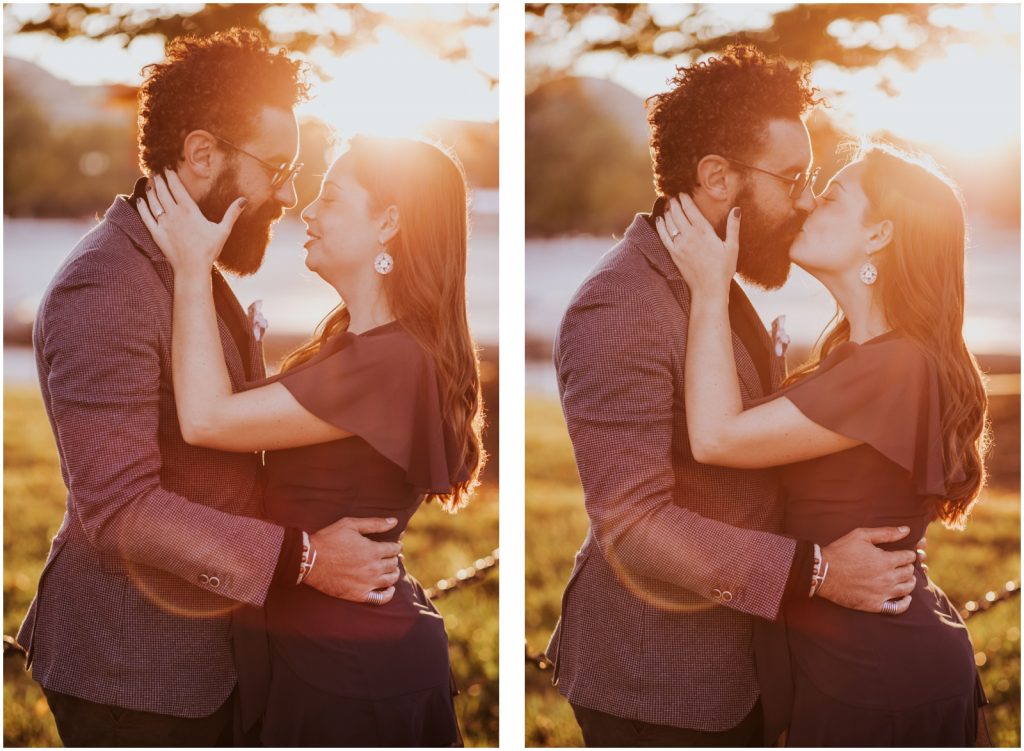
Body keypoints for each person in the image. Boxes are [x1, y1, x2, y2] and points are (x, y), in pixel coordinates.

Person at [16, 30, 402, 747]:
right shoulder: (106, 285)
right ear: (201, 154)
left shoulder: (187, 266)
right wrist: (308, 559)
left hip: (209, 662)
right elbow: (121, 508)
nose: (289, 193)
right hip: (133, 673)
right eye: (276, 166)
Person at [545, 45, 923, 747]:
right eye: (794, 177)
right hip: (658, 686)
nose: (807, 198)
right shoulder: (621, 304)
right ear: (718, 176)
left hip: (743, 673)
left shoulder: (711, 278)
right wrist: (819, 572)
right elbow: (634, 526)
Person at [136, 133, 485, 746]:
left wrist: (192, 268)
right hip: (328, 654)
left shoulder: (389, 361)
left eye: (331, 195)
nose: (308, 210)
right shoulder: (362, 345)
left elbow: (208, 420)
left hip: (349, 675)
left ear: (388, 223)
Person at [657, 142, 990, 746]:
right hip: (849, 664)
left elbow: (716, 437)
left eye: (832, 195)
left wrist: (710, 288)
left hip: (878, 679)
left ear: (878, 235)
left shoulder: (894, 366)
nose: (808, 202)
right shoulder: (859, 358)